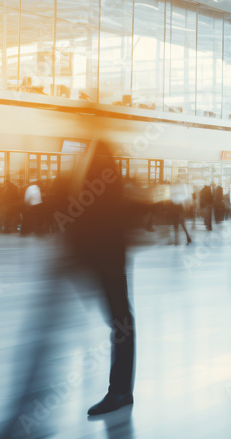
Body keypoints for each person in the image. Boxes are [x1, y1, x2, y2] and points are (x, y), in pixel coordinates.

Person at [66, 140, 136, 415]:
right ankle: (120, 391)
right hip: (103, 258)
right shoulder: (96, 157)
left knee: (121, 323)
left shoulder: (101, 161)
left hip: (105, 257)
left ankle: (120, 391)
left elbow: (103, 212)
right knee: (121, 322)